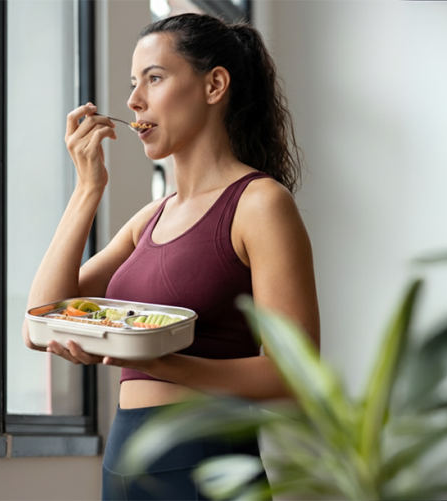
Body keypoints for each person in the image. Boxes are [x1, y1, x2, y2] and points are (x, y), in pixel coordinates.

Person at [22, 12, 320, 501]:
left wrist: (156, 360)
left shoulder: (260, 204)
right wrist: (87, 190)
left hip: (207, 465)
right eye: (133, 84)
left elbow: (296, 375)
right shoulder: (149, 219)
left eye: (154, 79)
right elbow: (40, 322)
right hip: (122, 463)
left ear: (214, 85)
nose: (134, 100)